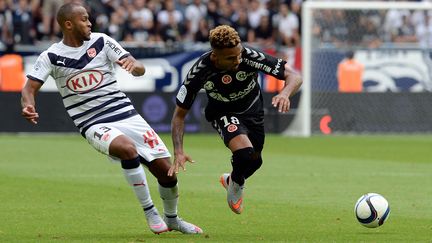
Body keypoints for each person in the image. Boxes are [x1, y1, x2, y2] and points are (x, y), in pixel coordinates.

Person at [20, 2, 202, 234]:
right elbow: (29, 89)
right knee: (127, 149)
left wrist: (135, 67)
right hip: (93, 122)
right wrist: (28, 106)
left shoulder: (102, 41)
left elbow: (137, 66)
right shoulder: (51, 56)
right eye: (84, 19)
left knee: (167, 173)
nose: (89, 23)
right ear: (68, 24)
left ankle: (173, 219)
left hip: (126, 114)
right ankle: (150, 212)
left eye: (88, 19)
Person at [169, 25, 302, 214]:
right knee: (244, 153)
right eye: (231, 58)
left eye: (238, 54)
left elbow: (294, 76)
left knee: (255, 161)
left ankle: (232, 179)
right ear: (215, 56)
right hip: (222, 112)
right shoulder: (200, 71)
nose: (238, 60)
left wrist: (285, 93)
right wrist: (179, 151)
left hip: (252, 111)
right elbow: (178, 116)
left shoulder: (249, 56)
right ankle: (237, 186)